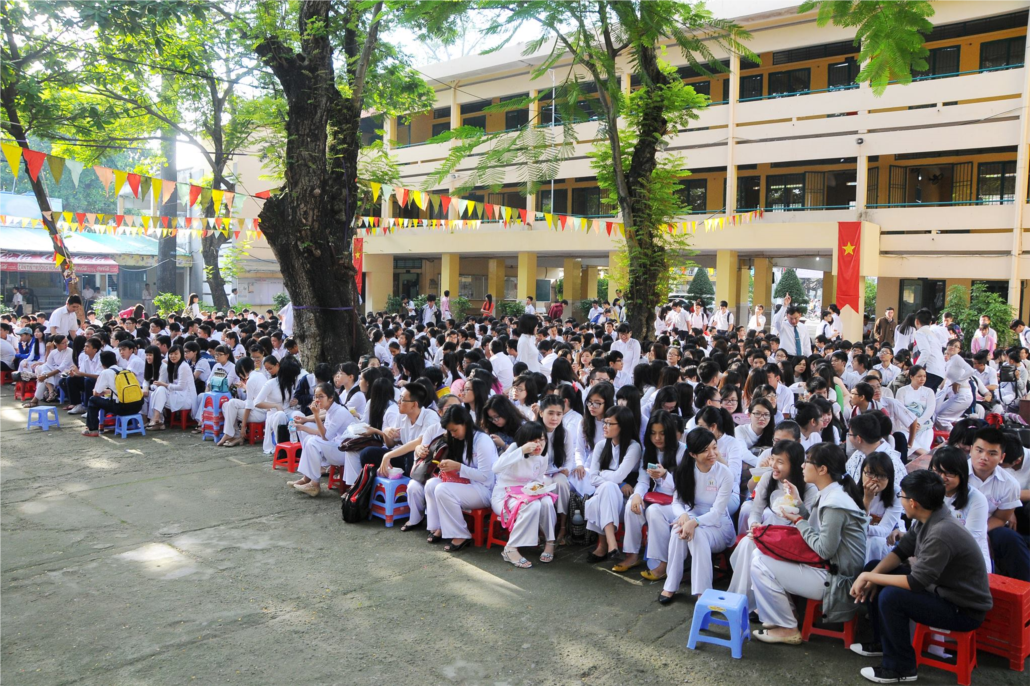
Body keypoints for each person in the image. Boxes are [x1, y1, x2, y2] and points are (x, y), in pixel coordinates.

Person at [849, 470, 993, 684]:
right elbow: (900, 552)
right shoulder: (928, 517)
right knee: (875, 568)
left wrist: (870, 577)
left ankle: (901, 668)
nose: (900, 500)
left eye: (901, 496)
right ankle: (882, 644)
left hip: (963, 609)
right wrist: (872, 574)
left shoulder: (942, 532)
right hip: (940, 590)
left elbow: (915, 582)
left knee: (891, 597)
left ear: (913, 502)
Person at [751, 443, 868, 645]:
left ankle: (787, 627)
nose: (802, 466)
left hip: (837, 581)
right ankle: (782, 617)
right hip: (830, 570)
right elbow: (817, 527)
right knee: (760, 554)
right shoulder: (831, 492)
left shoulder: (834, 503)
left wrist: (798, 520)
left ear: (822, 469)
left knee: (759, 563)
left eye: (807, 461)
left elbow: (825, 549)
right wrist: (798, 503)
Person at [650, 427, 736, 604]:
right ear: (692, 454)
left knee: (696, 534)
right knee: (677, 532)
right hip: (693, 520)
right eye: (705, 450)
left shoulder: (725, 474)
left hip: (719, 527)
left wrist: (693, 522)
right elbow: (676, 502)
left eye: (714, 447)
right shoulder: (684, 471)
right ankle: (670, 585)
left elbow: (717, 513)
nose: (712, 453)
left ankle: (702, 593)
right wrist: (683, 516)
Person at [729, 440, 819, 607]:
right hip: (771, 533)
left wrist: (798, 502)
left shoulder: (808, 486)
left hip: (795, 537)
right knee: (747, 543)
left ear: (794, 464)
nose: (773, 465)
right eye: (772, 459)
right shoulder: (768, 478)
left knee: (754, 549)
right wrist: (754, 525)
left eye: (780, 462)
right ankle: (747, 601)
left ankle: (761, 603)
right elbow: (755, 511)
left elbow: (811, 522)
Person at [616, 410, 684, 574]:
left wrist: (665, 475)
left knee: (653, 511)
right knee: (632, 506)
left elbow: (684, 487)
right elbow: (643, 480)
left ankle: (662, 563)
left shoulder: (682, 451)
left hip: (678, 501)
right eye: (653, 433)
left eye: (662, 433)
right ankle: (632, 555)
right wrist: (637, 495)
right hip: (656, 497)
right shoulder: (649, 451)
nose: (657, 438)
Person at [424, 405, 497, 552]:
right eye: (450, 431)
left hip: (485, 490)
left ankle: (460, 534)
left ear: (465, 423)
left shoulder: (482, 441)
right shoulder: (461, 439)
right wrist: (450, 470)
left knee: (442, 489)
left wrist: (458, 467)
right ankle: (439, 527)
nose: (452, 434)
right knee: (431, 484)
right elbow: (465, 470)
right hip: (469, 484)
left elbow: (485, 476)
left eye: (454, 430)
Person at [491, 422, 558, 568]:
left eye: (542, 440)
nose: (538, 444)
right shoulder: (515, 448)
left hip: (529, 493)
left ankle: (550, 542)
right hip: (505, 494)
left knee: (547, 502)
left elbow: (538, 479)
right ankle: (511, 549)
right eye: (533, 440)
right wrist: (521, 450)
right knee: (532, 505)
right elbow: (496, 468)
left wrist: (538, 489)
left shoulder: (543, 455)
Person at [968, 427, 1030, 581]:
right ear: (971, 450)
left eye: (992, 453)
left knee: (1011, 538)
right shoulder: (955, 472)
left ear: (1002, 457)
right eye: (979, 450)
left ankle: (1023, 586)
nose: (984, 457)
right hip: (952, 525)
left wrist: (980, 532)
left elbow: (1001, 518)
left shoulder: (1010, 484)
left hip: (987, 525)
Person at [584, 406, 641, 562]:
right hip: (607, 494)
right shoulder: (601, 445)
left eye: (609, 423)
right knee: (607, 488)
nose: (605, 426)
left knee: (602, 495)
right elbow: (592, 478)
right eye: (605, 422)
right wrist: (619, 484)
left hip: (624, 501)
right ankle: (611, 544)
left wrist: (604, 473)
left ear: (622, 426)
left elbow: (617, 476)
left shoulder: (633, 447)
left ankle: (604, 545)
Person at [930, 446, 991, 572]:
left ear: (962, 474)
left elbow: (968, 540)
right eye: (937, 472)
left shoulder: (977, 499)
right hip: (932, 557)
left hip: (967, 564)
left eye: (949, 473)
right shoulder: (928, 493)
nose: (942, 478)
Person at [289, 383, 355, 496]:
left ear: (330, 398)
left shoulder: (339, 411)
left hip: (346, 452)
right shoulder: (330, 410)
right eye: (315, 396)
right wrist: (302, 427)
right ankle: (307, 478)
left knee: (312, 442)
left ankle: (314, 484)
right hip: (338, 446)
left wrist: (316, 415)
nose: (317, 400)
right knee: (309, 439)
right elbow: (322, 432)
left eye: (321, 396)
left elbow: (326, 436)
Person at [81, 351, 145, 437]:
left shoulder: (106, 372)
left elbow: (96, 393)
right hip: (138, 406)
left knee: (93, 400)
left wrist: (103, 392)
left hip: (122, 408)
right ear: (116, 361)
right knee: (113, 399)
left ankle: (92, 429)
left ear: (102, 364)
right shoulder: (126, 370)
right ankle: (129, 423)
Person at [218, 358, 268, 447]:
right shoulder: (260, 375)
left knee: (231, 406)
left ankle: (232, 434)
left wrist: (243, 427)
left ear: (242, 369)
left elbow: (249, 406)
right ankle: (234, 434)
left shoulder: (251, 380)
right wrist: (244, 387)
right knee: (226, 405)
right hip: (258, 408)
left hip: (259, 413)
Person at [147, 345, 197, 430]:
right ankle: (158, 420)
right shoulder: (174, 366)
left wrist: (164, 385)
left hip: (185, 399)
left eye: (176, 354)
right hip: (178, 396)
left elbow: (181, 387)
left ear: (181, 354)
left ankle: (156, 419)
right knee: (156, 392)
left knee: (161, 389)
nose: (173, 356)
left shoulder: (183, 366)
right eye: (171, 354)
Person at [895, 364, 935, 453]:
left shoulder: (929, 391)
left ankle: (925, 453)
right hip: (905, 425)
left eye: (924, 376)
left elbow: (930, 410)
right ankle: (926, 454)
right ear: (911, 377)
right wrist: (910, 424)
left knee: (925, 445)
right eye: (919, 376)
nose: (922, 379)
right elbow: (900, 410)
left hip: (923, 425)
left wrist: (919, 422)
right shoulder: (902, 391)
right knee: (905, 439)